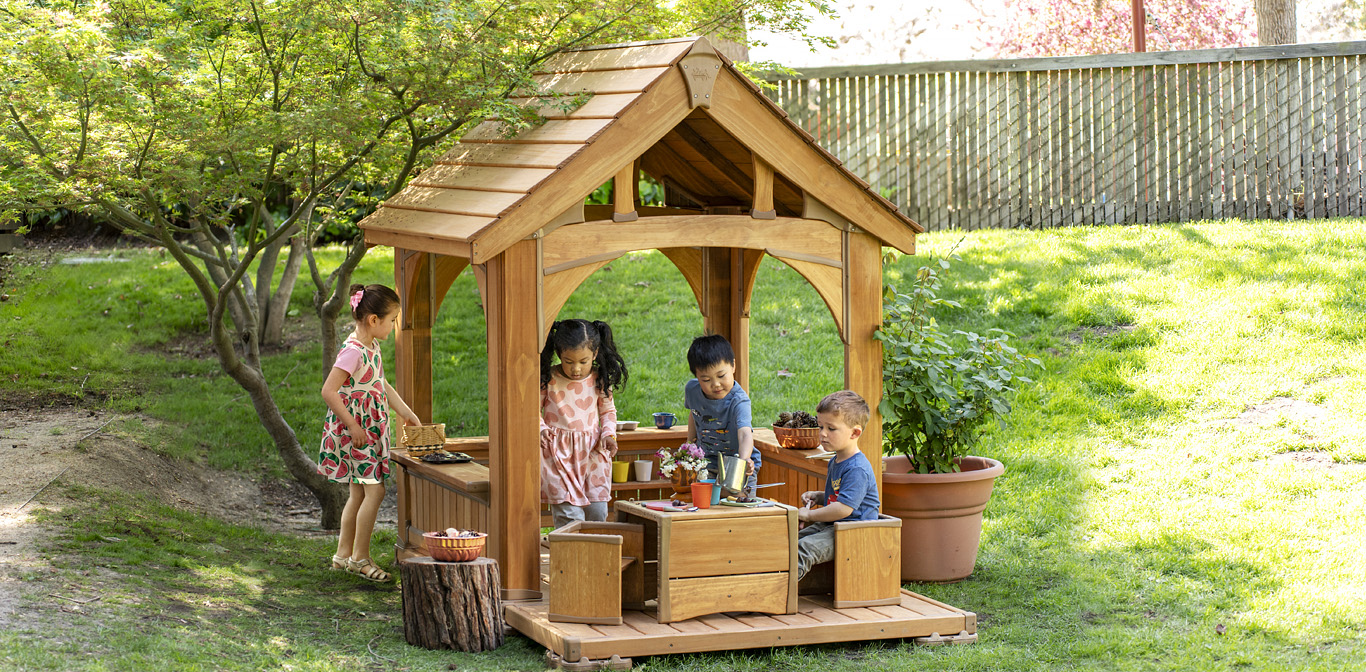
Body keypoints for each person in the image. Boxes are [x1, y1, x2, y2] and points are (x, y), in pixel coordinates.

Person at [319, 283, 420, 582]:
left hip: (367, 431)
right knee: (375, 490)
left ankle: (342, 555)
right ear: (373, 320)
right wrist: (353, 424)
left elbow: (380, 383)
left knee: (359, 492)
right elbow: (328, 390)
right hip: (357, 434)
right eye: (392, 320)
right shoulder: (353, 352)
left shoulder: (371, 347)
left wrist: (406, 412)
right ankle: (360, 558)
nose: (394, 326)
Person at [540, 319, 628, 529]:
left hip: (592, 454)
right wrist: (541, 429)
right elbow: (530, 411)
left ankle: (594, 560)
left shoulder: (600, 379)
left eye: (583, 361)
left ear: (595, 354)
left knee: (597, 513)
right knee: (570, 517)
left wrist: (609, 435)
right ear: (559, 353)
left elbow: (608, 411)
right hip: (558, 455)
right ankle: (569, 559)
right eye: (569, 361)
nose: (576, 369)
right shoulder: (549, 378)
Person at [795, 390, 880, 580]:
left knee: (804, 548)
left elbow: (843, 508)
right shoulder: (837, 460)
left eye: (831, 429)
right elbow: (839, 497)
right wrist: (819, 496)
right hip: (834, 526)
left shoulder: (857, 468)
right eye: (820, 427)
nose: (823, 434)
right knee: (791, 541)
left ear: (855, 432)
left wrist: (809, 514)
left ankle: (780, 593)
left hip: (854, 532)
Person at [684, 334, 758, 496]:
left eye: (721, 376)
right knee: (705, 506)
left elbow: (745, 433)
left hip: (737, 466)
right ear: (696, 376)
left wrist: (744, 461)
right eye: (706, 379)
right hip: (706, 463)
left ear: (733, 366)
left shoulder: (739, 401)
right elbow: (694, 413)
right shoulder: (692, 390)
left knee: (739, 507)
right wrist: (690, 443)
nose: (715, 384)